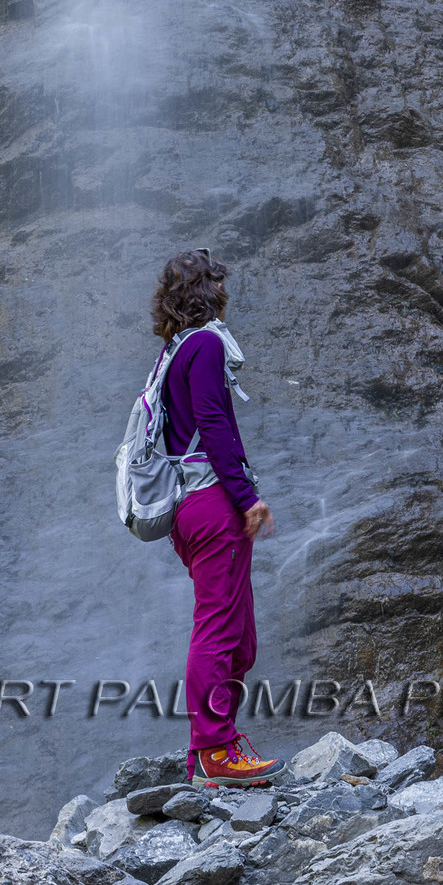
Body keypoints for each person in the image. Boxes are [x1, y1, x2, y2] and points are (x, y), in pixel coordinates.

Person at [152, 247, 279, 786]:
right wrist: (246, 495)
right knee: (219, 629)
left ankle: (208, 749)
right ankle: (213, 752)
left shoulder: (172, 351)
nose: (226, 294)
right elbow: (213, 421)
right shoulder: (204, 344)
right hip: (210, 502)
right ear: (210, 292)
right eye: (219, 285)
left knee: (239, 635)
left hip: (189, 507)